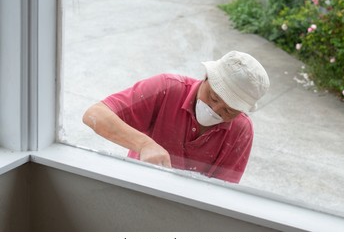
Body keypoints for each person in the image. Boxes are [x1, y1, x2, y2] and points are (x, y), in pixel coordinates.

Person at [82, 50, 270, 183]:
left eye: (229, 111)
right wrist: (144, 144)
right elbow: (95, 114)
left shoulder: (241, 130)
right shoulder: (166, 88)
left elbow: (223, 192)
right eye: (213, 96)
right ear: (206, 77)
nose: (215, 109)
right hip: (139, 184)